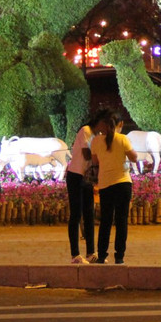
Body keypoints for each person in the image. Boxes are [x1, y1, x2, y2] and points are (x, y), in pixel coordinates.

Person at [89, 110, 137, 265]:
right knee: (121, 220)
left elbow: (95, 162)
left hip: (105, 184)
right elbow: (134, 158)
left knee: (106, 221)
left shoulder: (96, 141)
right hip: (123, 183)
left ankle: (102, 255)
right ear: (120, 124)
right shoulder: (123, 139)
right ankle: (119, 256)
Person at [66, 109, 107, 264]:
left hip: (87, 177)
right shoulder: (86, 130)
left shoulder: (98, 136)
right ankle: (75, 254)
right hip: (76, 175)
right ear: (100, 121)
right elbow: (86, 153)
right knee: (76, 214)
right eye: (106, 124)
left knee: (89, 214)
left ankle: (91, 252)